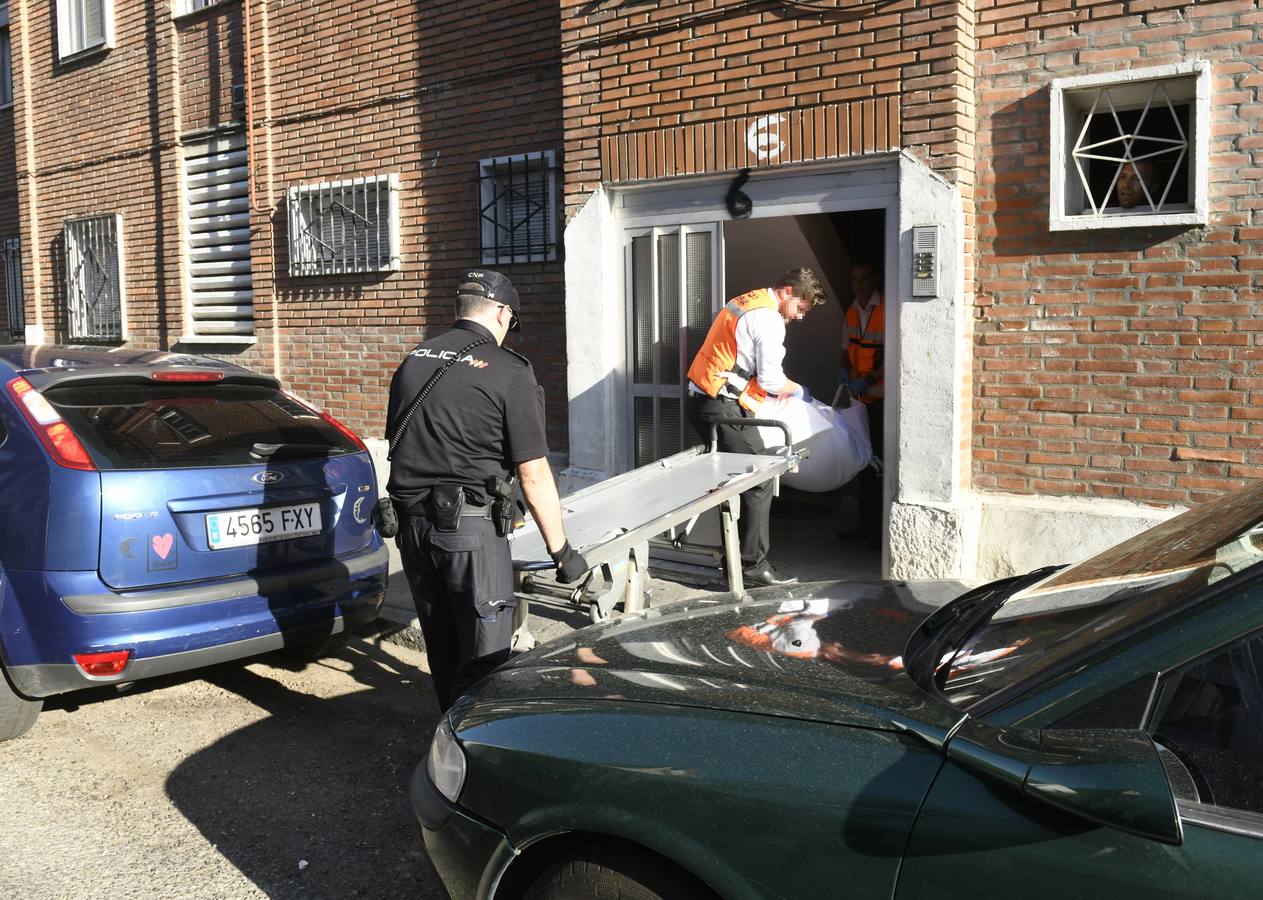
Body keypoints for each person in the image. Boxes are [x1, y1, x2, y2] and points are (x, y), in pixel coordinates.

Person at [385, 269, 587, 711]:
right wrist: (564, 555)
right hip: (469, 537)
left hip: (411, 532)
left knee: (443, 651)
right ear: (502, 313)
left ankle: (445, 743)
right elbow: (533, 474)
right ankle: (469, 762)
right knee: (484, 658)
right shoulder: (509, 371)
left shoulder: (413, 360)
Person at [685, 267, 827, 587]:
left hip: (709, 401)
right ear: (788, 292)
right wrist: (801, 391)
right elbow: (771, 380)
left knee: (735, 480)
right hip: (720, 407)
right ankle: (752, 567)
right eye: (801, 308)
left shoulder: (747, 300)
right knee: (760, 477)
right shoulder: (768, 319)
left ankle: (733, 560)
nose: (800, 317)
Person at [837, 259, 884, 547]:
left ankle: (879, 531)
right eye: (854, 279)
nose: (859, 285)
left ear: (875, 279)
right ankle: (865, 527)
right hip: (859, 402)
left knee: (879, 464)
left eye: (864, 279)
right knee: (864, 464)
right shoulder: (852, 311)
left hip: (881, 399)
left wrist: (869, 379)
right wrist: (843, 371)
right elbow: (846, 348)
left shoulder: (887, 310)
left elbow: (894, 353)